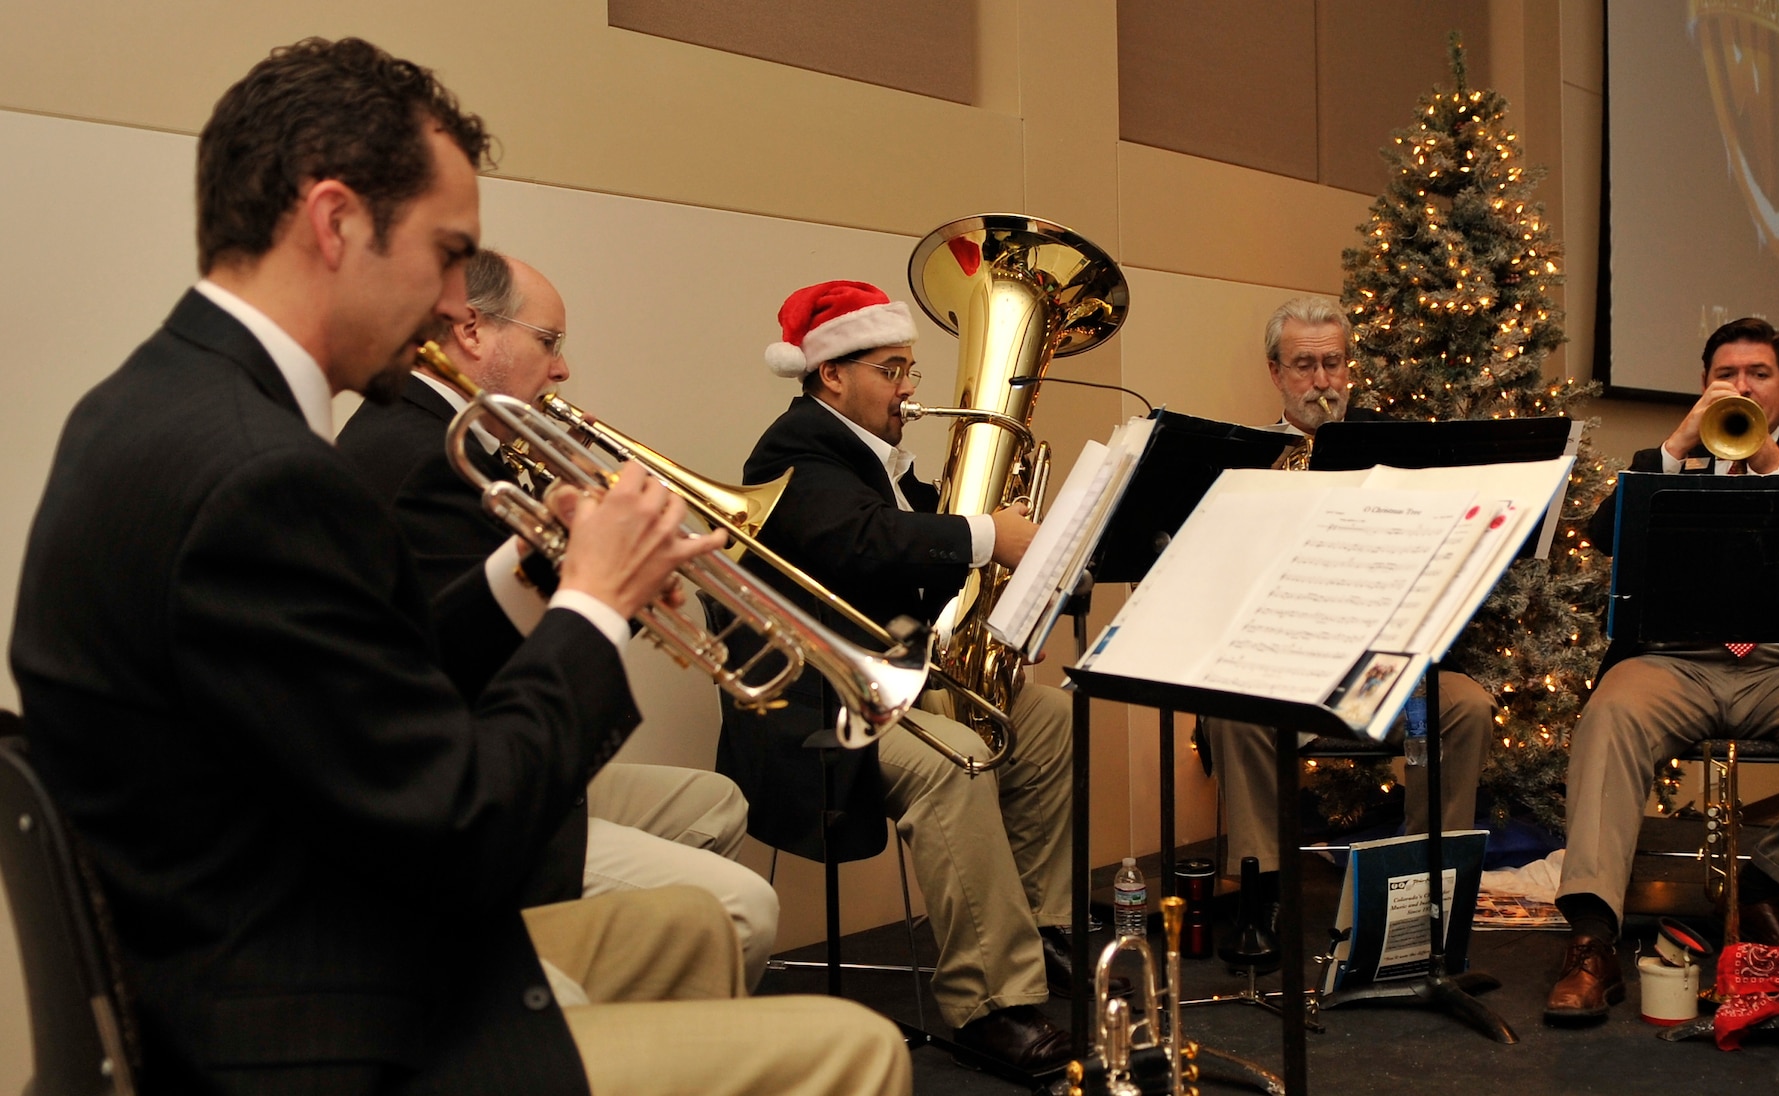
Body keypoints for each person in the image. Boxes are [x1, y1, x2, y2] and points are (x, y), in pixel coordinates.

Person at [8, 37, 908, 1096]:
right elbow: (468, 829)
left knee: (687, 928)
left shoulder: (148, 407)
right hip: (315, 1029)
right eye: (445, 253)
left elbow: (357, 689)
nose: (451, 304)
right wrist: (593, 606)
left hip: (288, 931)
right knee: (859, 1047)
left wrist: (531, 576)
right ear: (336, 221)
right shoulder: (260, 476)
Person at [339, 248, 780, 985]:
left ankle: (651, 980)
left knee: (718, 802)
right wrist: (608, 594)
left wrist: (622, 584)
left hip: (479, 749)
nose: (563, 369)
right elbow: (482, 667)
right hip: (459, 788)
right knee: (747, 906)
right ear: (473, 332)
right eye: (549, 342)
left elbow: (510, 613)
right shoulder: (423, 458)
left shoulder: (450, 439)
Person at [716, 279, 1080, 1073]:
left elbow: (925, 564)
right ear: (831, 376)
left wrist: (1011, 589)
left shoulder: (880, 463)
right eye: (891, 369)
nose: (910, 388)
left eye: (910, 369)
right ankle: (992, 1004)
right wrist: (988, 532)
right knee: (957, 759)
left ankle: (1040, 928)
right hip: (816, 698)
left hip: (894, 676)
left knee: (1049, 719)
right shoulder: (794, 451)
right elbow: (869, 542)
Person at [1546, 316, 1779, 1021]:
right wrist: (1672, 451)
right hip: (1676, 663)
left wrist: (1773, 464)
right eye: (1726, 376)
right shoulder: (1663, 468)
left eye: (1757, 375)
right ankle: (1593, 936)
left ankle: (1763, 884)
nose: (1741, 386)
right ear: (1702, 385)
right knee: (1609, 718)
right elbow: (1601, 536)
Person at [1204, 296, 1495, 918]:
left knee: (1464, 708)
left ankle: (1427, 885)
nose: (1321, 382)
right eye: (1303, 366)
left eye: (1333, 363)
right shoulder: (1243, 461)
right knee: (1233, 714)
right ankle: (1264, 894)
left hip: (1380, 666)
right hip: (1280, 669)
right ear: (1275, 373)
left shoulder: (1393, 453)